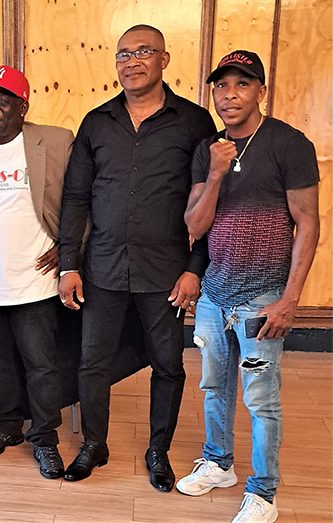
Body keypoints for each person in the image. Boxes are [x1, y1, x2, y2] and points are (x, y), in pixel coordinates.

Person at [58, 25, 216, 488]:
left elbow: (211, 201)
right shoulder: (96, 122)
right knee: (92, 363)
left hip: (166, 273)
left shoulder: (193, 122)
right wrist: (69, 263)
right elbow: (75, 198)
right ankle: (93, 444)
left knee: (167, 364)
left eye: (143, 51)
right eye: (123, 54)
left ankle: (158, 451)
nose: (132, 61)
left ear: (164, 59)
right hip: (102, 267)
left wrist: (194, 269)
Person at [177, 50, 320, 523]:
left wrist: (289, 299)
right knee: (214, 386)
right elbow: (195, 225)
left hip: (264, 299)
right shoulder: (209, 149)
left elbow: (308, 223)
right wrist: (216, 171)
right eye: (221, 86)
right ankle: (218, 463)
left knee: (262, 399)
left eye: (242, 84)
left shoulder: (288, 143)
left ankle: (263, 492)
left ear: (261, 90)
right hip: (216, 297)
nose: (230, 94)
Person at [0, 65, 74, 480]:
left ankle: (44, 439)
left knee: (40, 365)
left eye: (2, 98)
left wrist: (68, 249)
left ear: (22, 106)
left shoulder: (56, 141)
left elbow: (82, 199)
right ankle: (7, 426)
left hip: (33, 277)